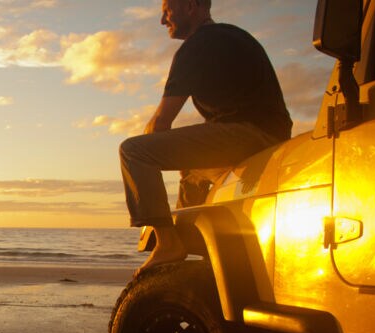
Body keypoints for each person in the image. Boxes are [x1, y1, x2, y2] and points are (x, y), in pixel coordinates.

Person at [119, 0, 292, 273]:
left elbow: (161, 122)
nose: (163, 21)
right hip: (273, 135)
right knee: (192, 175)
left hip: (249, 135)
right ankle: (201, 251)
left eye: (167, 11)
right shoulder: (235, 36)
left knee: (134, 151)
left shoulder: (197, 45)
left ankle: (168, 243)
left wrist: (143, 165)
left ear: (190, 6)